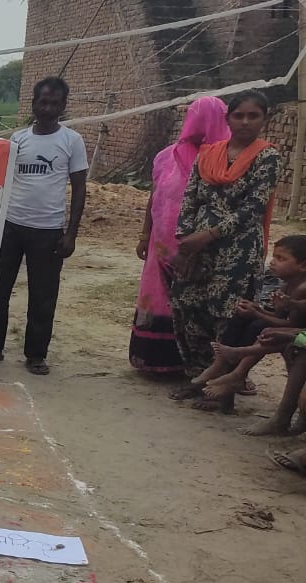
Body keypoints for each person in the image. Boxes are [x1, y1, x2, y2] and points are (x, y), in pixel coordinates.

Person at [168, 90, 283, 412]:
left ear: (264, 119)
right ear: (228, 119)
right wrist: (185, 241)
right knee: (189, 309)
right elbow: (190, 198)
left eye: (253, 116)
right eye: (238, 115)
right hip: (196, 247)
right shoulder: (209, 154)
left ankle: (222, 390)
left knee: (227, 317)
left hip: (238, 251)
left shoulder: (268, 157)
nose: (245, 122)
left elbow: (253, 208)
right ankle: (196, 378)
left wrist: (209, 235)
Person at [0, 76, 88, 375]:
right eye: (43, 102)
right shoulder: (18, 140)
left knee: (43, 295)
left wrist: (71, 233)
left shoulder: (72, 141)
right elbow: (1, 179)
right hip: (12, 225)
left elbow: (80, 187)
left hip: (48, 230)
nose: (48, 108)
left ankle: (36, 354)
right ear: (33, 103)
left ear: (63, 106)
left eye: (54, 103)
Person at [129, 96, 230, 376]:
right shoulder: (167, 155)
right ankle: (154, 359)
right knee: (158, 297)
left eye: (203, 117)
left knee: (194, 303)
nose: (197, 123)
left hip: (202, 246)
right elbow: (155, 196)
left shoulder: (225, 160)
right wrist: (145, 234)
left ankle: (196, 364)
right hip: (160, 243)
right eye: (193, 116)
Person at [190, 236, 306, 408]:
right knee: (241, 317)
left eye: (281, 259)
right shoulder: (287, 284)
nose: (272, 262)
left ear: (303, 266)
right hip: (287, 328)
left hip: (297, 333)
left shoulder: (302, 289)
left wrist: (257, 314)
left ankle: (233, 373)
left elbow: (289, 324)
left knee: (258, 326)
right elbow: (277, 315)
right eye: (274, 256)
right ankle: (221, 363)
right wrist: (256, 309)